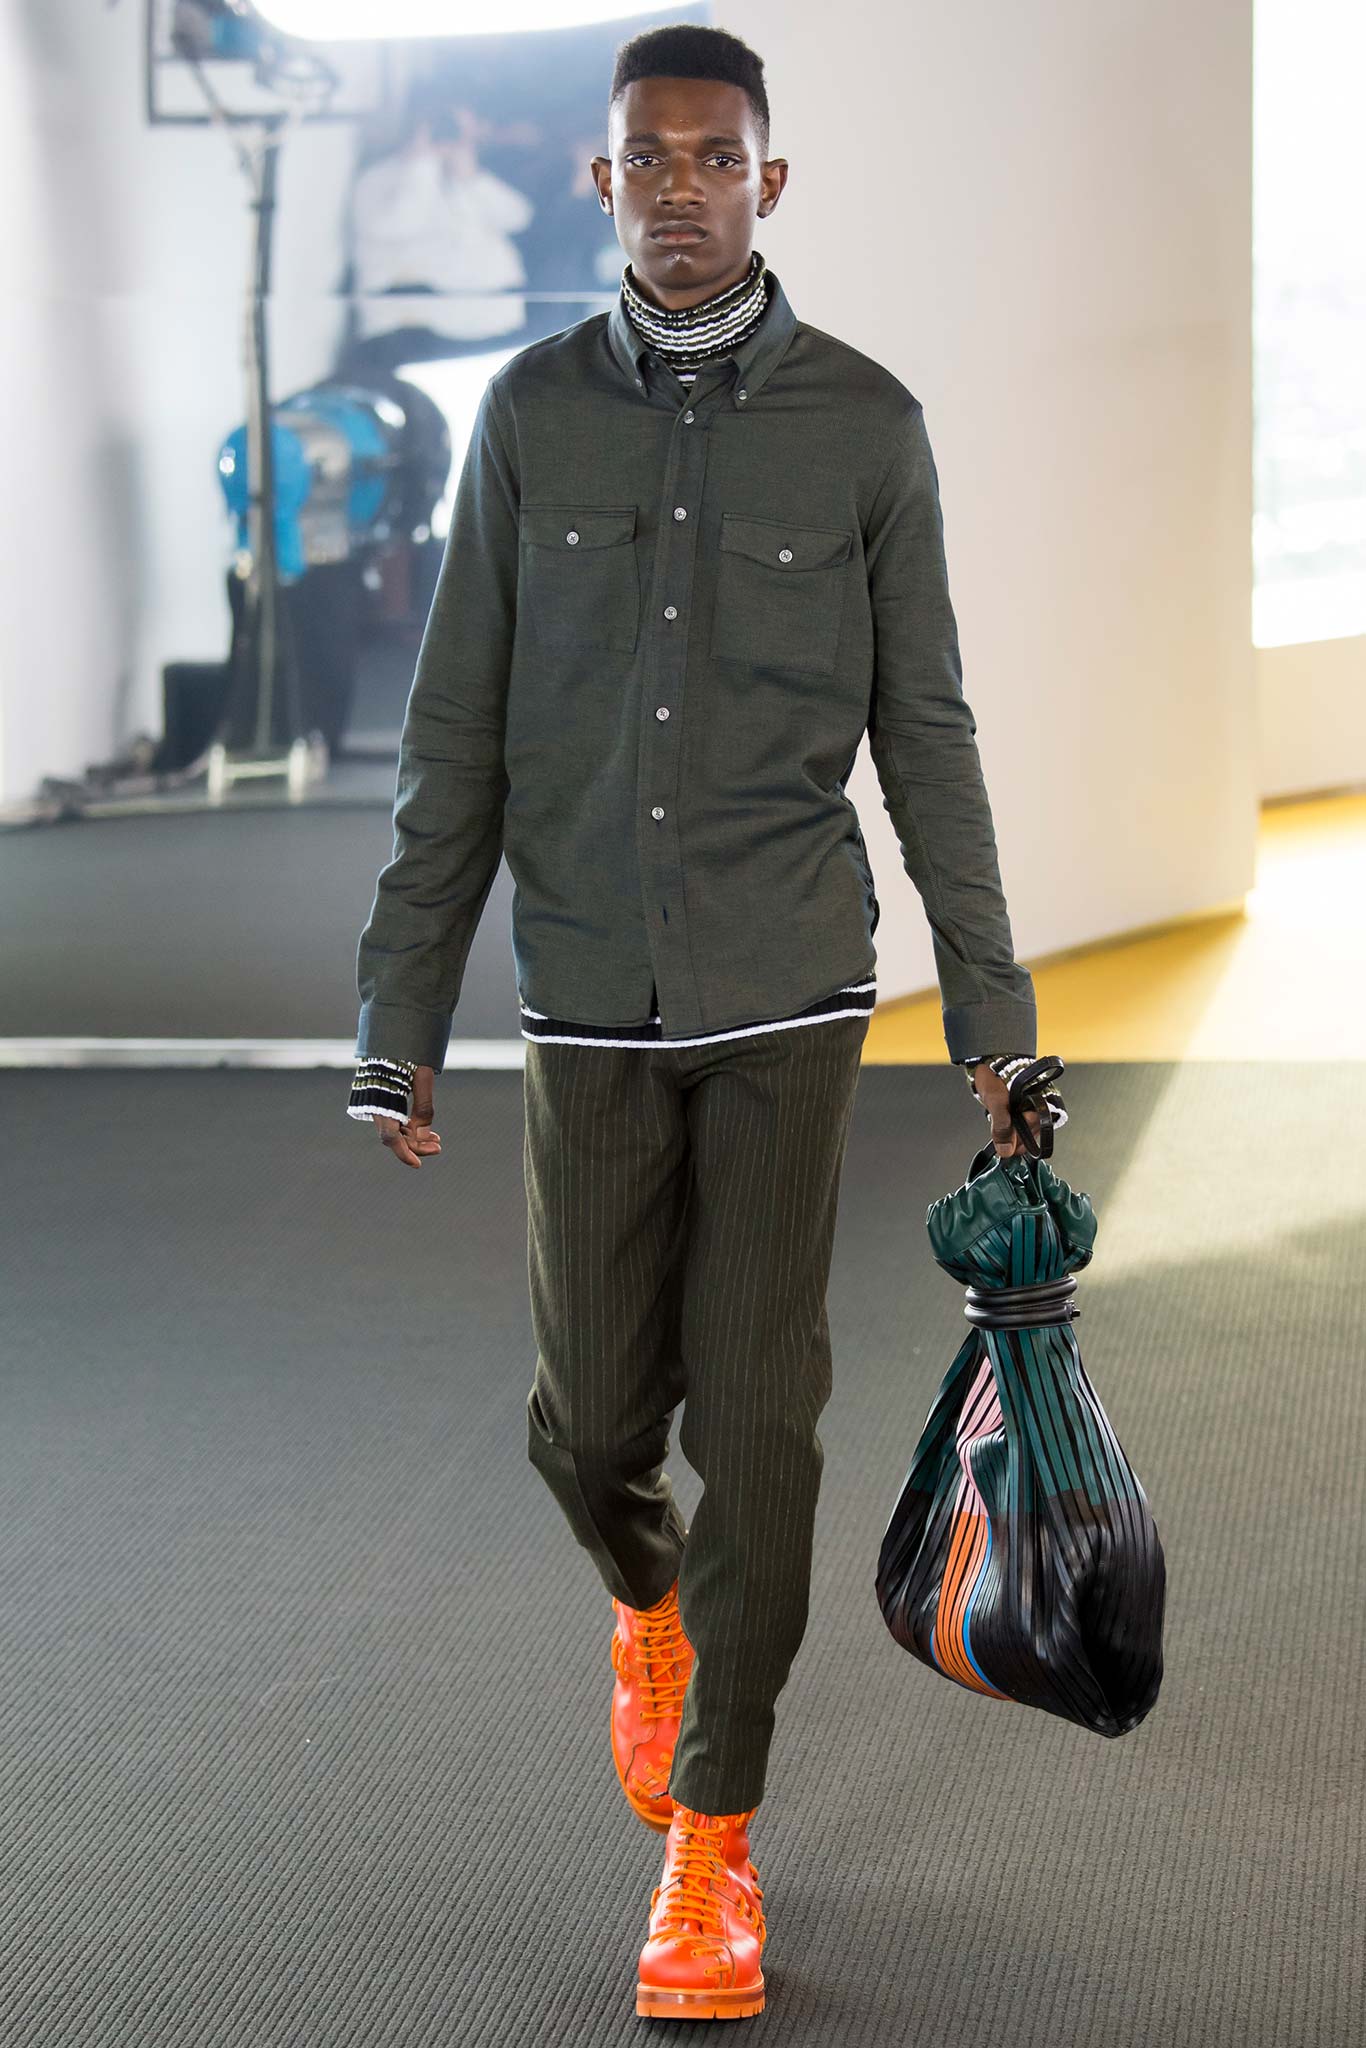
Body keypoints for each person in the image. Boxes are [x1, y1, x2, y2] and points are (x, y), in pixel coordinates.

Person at [346, 21, 1056, 2023]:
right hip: (587, 992)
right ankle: (645, 1602)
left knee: (755, 1417)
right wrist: (401, 1004)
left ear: (768, 179)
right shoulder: (526, 418)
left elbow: (926, 734)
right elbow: (452, 729)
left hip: (785, 990)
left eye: (714, 156)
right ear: (601, 182)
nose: (680, 188)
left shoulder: (864, 424)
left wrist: (993, 1013)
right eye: (646, 158)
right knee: (591, 1423)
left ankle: (712, 1841)